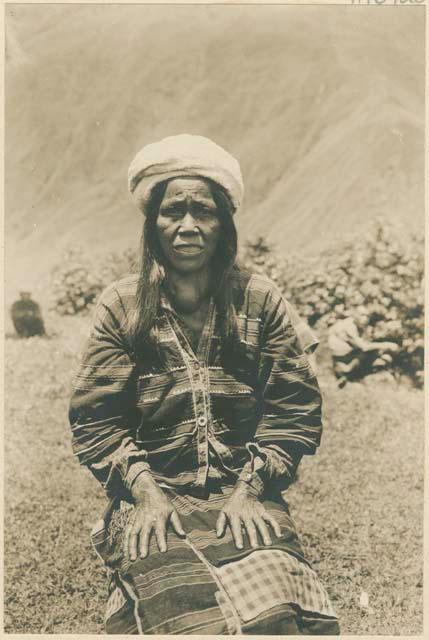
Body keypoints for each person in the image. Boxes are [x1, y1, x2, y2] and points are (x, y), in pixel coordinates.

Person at [69, 134, 339, 635]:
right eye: (174, 212)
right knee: (177, 602)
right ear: (153, 225)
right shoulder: (122, 307)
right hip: (153, 492)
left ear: (223, 225)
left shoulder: (260, 301)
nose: (188, 227)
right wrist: (145, 494)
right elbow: (96, 421)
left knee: (277, 603)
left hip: (245, 489)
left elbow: (295, 409)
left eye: (204, 212)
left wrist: (253, 491)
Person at [328, 315, 399, 387]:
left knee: (375, 353)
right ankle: (348, 372)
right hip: (341, 359)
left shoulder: (357, 326)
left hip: (344, 356)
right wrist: (387, 345)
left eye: (366, 317)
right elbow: (364, 347)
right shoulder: (350, 327)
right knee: (370, 352)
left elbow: (365, 343)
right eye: (362, 316)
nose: (364, 320)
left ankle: (350, 376)